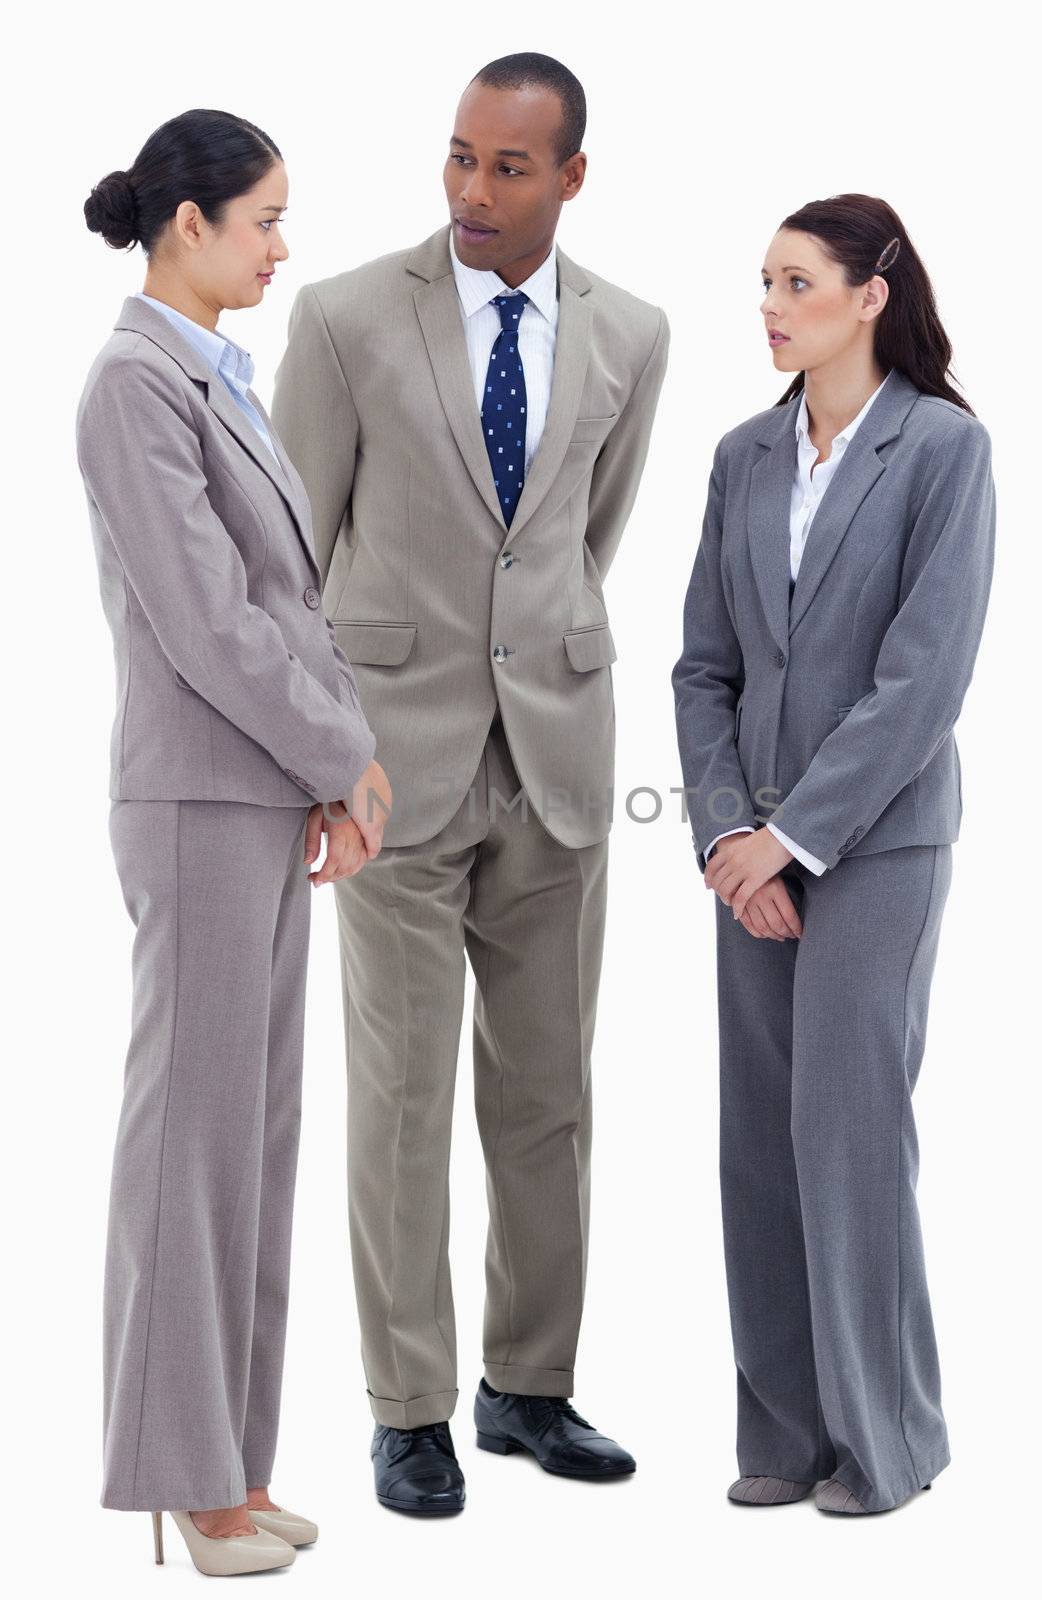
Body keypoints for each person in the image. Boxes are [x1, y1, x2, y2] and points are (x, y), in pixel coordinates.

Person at [270, 53, 669, 1515]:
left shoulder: (635, 331)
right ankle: (408, 1405)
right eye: (457, 159)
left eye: (509, 168)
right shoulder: (349, 316)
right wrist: (322, 757)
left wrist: (535, 672)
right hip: (387, 765)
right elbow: (291, 556)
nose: (474, 193)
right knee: (398, 1098)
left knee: (549, 1098)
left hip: (557, 766)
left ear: (570, 176)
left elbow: (580, 538)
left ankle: (529, 1387)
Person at [77, 108, 391, 1574]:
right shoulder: (134, 385)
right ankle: (181, 1484)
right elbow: (210, 621)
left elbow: (289, 610)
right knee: (190, 1152)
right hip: (203, 799)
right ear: (186, 225)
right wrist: (345, 754)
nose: (281, 245)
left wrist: (333, 773)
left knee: (249, 1150)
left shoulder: (215, 380)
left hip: (260, 794)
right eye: (262, 219)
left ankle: (230, 1467)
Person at [672, 194, 996, 1516]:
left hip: (875, 849)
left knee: (846, 1132)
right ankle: (785, 1436)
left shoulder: (940, 453)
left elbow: (923, 682)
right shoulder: (743, 455)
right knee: (756, 1139)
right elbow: (703, 666)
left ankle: (885, 1443)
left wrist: (790, 843)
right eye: (762, 282)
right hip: (742, 845)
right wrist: (723, 839)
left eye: (795, 282)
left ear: (870, 294)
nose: (769, 306)